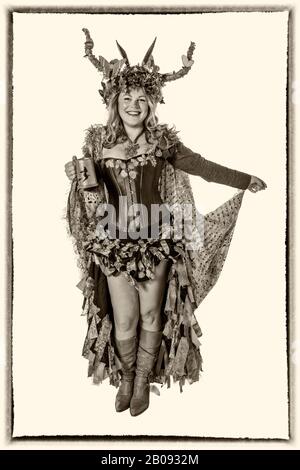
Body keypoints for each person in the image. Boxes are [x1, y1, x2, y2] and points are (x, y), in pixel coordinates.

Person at [65, 29, 267, 417]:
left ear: (153, 103)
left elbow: (203, 167)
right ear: (114, 101)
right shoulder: (96, 142)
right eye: (126, 97)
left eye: (142, 98)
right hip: (112, 239)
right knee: (122, 317)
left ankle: (142, 383)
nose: (134, 104)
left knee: (151, 314)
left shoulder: (163, 142)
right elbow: (89, 196)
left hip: (156, 235)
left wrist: (244, 180)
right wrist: (80, 180)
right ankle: (126, 378)